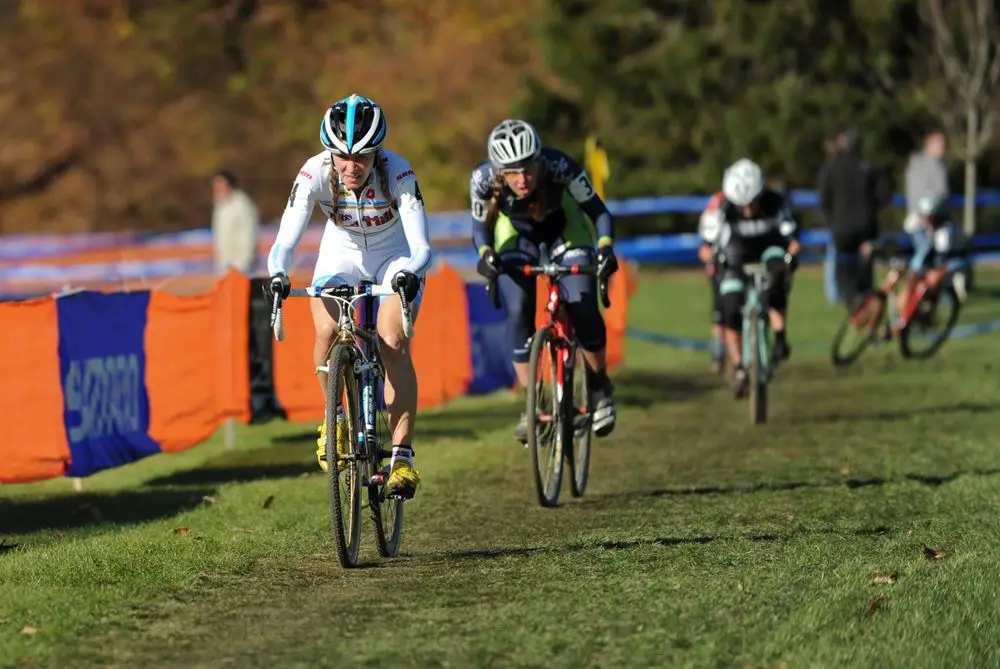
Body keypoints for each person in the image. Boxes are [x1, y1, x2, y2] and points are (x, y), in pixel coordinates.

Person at [265, 94, 431, 499]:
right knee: (324, 330)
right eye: (342, 157)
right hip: (340, 254)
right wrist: (278, 273)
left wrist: (411, 273)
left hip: (395, 257)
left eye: (362, 157)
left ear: (378, 154)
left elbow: (422, 246)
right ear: (330, 152)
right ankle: (334, 417)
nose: (351, 166)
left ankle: (402, 457)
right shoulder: (313, 173)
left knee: (393, 341)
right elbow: (285, 240)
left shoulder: (399, 172)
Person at [470, 119, 619, 442]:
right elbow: (481, 228)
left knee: (582, 305)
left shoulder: (560, 165)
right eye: (511, 172)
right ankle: (532, 403)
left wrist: (605, 248)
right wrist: (485, 254)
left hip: (565, 231)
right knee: (518, 306)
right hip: (516, 235)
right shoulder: (482, 179)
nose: (522, 179)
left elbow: (599, 213)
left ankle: (599, 385)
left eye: (527, 169)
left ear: (539, 162)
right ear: (498, 172)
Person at [699, 158, 801, 398]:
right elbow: (705, 247)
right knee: (730, 304)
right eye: (740, 206)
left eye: (752, 203)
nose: (747, 211)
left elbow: (793, 240)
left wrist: (792, 256)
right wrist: (713, 259)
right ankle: (738, 366)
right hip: (735, 257)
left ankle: (780, 338)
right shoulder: (720, 208)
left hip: (769, 251)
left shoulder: (776, 203)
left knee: (778, 277)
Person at [818, 128, 892, 309]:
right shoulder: (868, 167)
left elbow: (824, 198)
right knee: (865, 266)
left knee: (845, 269)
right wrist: (870, 209)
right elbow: (884, 195)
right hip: (866, 227)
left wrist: (832, 220)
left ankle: (852, 302)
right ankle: (864, 299)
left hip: (841, 228)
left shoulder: (832, 168)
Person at [897, 195, 970, 325]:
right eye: (924, 215)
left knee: (932, 279)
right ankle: (906, 319)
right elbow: (914, 247)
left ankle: (931, 308)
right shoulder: (915, 222)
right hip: (932, 257)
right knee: (908, 284)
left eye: (930, 216)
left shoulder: (945, 231)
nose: (926, 219)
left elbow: (941, 259)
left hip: (955, 261)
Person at [211, 169, 260, 275]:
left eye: (220, 183)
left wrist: (244, 262)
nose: (217, 188)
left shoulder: (241, 204)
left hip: (242, 265)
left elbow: (250, 233)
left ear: (229, 184)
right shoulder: (220, 206)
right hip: (225, 264)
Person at [697, 190, 726, 373]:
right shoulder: (717, 202)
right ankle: (718, 352)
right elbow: (705, 247)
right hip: (721, 264)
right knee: (719, 310)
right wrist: (710, 258)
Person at [904, 131, 949, 235]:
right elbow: (939, 191)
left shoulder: (916, 164)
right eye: (940, 145)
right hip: (928, 215)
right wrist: (925, 214)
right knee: (928, 247)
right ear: (930, 145)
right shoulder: (932, 165)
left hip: (925, 214)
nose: (944, 148)